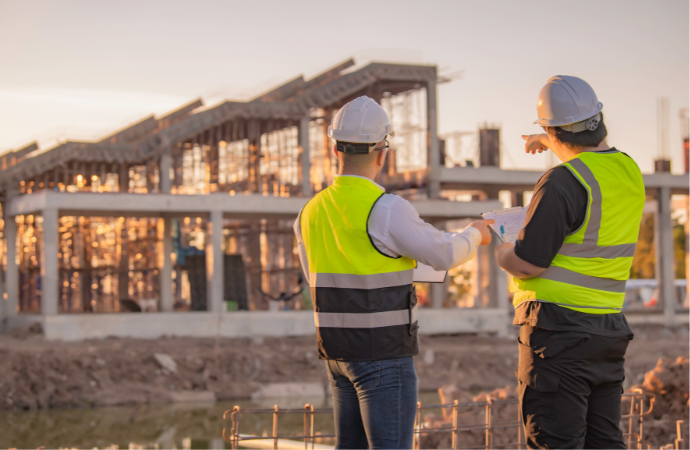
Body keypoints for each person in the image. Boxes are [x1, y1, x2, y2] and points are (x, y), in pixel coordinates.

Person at [294, 95, 494, 449]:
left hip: (337, 355)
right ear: (383, 153)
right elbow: (443, 253)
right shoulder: (386, 209)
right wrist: (476, 233)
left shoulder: (310, 212)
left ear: (335, 150)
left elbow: (325, 276)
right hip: (382, 356)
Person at [494, 76, 645, 449]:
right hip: (607, 332)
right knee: (604, 442)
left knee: (555, 442)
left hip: (558, 334)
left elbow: (529, 263)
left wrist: (500, 248)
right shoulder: (629, 171)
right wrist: (547, 139)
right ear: (599, 119)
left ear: (552, 130)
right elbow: (590, 154)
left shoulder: (561, 182)